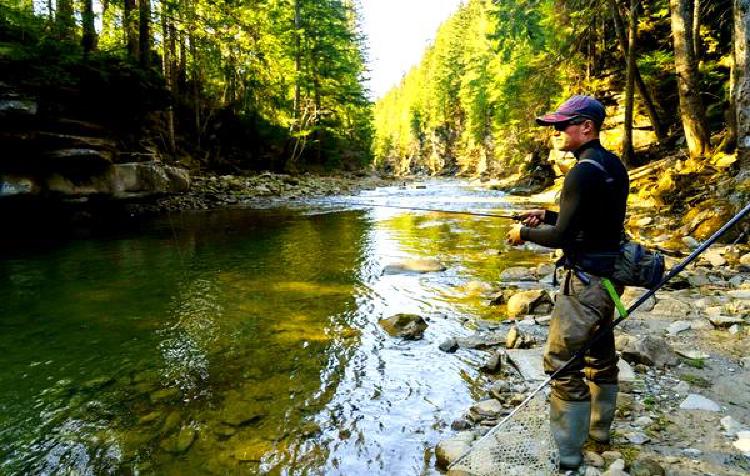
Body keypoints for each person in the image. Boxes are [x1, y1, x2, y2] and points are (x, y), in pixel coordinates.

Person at [506, 95, 629, 470]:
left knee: (561, 362)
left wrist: (523, 234)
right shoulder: (611, 166)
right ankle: (600, 433)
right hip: (610, 280)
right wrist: (547, 213)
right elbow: (594, 221)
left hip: (586, 284)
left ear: (586, 127)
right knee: (600, 354)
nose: (556, 132)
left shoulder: (580, 172)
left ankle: (569, 456)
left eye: (562, 125)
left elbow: (561, 237)